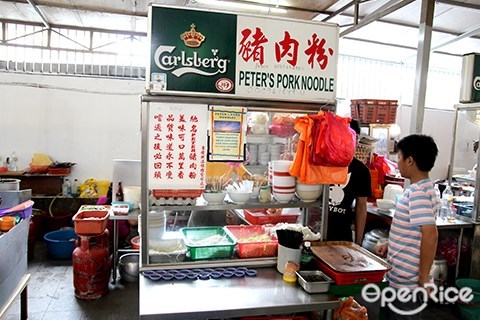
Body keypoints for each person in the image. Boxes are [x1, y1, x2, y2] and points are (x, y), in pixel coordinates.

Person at [376, 134, 440, 319]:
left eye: (399, 159)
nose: (398, 164)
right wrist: (391, 244)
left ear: (410, 160)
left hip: (408, 284)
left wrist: (423, 277)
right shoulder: (423, 189)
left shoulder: (418, 193)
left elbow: (430, 234)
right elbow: (415, 231)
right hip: (401, 278)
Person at [327, 119, 372, 245]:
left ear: (357, 139)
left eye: (352, 137)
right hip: (315, 230)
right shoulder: (324, 162)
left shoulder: (361, 170)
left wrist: (358, 242)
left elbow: (361, 207)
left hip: (341, 235)